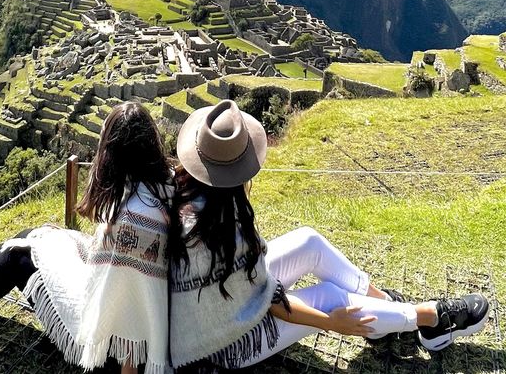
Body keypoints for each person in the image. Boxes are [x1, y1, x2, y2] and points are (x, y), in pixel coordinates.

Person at [169, 99, 490, 370]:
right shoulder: (226, 231)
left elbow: (248, 284)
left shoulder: (172, 194)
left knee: (309, 241)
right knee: (332, 299)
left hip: (209, 315)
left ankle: (382, 305)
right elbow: (271, 302)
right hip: (219, 348)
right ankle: (431, 319)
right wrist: (330, 322)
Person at [0, 102, 174, 374]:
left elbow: (129, 308)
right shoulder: (161, 186)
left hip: (116, 347)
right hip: (117, 312)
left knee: (19, 257)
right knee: (34, 237)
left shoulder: (134, 222)